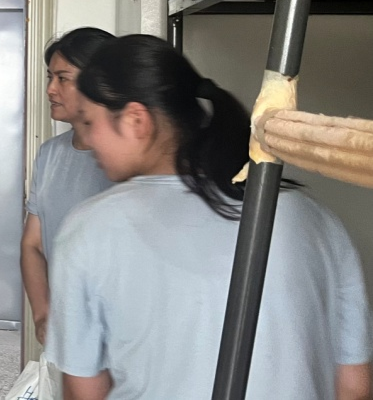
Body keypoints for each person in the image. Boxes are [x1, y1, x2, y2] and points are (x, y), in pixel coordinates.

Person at [49, 35, 372, 400]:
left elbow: (85, 391)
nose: (89, 140)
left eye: (89, 122)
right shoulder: (315, 218)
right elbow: (354, 385)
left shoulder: (89, 229)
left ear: (136, 121)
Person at [21, 27, 116, 345]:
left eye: (63, 78)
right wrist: (42, 315)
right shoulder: (50, 153)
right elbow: (33, 244)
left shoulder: (127, 163)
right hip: (67, 332)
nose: (50, 89)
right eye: (50, 77)